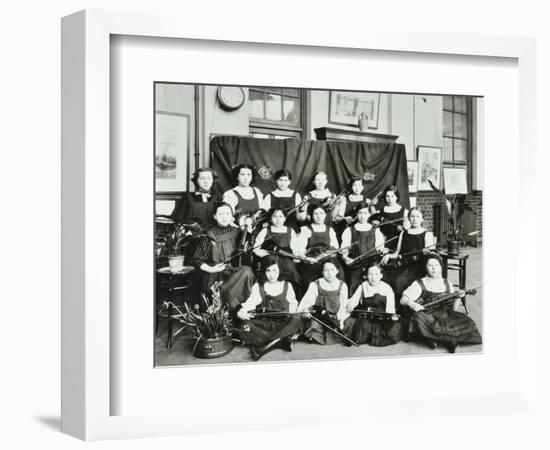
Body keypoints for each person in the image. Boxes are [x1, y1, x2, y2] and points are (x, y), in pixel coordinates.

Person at [400, 255, 482, 353]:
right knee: (417, 318)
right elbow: (403, 300)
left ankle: (434, 339)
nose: (434, 268)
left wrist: (458, 298)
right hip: (427, 315)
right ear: (425, 268)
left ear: (441, 267)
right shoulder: (419, 283)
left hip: (444, 315)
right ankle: (448, 340)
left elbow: (453, 309)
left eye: (436, 265)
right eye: (430, 265)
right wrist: (412, 304)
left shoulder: (447, 283)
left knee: (464, 321)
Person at [237, 257, 305, 360]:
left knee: (298, 320)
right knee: (245, 327)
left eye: (274, 270)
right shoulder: (258, 286)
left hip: (283, 324)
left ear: (280, 271)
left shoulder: (287, 285)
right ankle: (281, 341)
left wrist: (292, 314)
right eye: (268, 271)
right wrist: (241, 312)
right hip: (265, 325)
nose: (271, 274)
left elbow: (293, 305)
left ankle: (265, 345)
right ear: (264, 271)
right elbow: (250, 303)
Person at [191, 202, 255, 312]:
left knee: (247, 272)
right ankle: (225, 313)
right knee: (216, 285)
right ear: (215, 216)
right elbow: (197, 259)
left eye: (227, 214)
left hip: (234, 271)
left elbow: (246, 254)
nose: (224, 217)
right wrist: (211, 269)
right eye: (220, 214)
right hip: (217, 273)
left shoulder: (238, 232)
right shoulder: (209, 234)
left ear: (232, 216)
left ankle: (240, 311)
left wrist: (247, 231)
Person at [381, 207, 436, 300]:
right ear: (409, 218)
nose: (414, 219)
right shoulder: (404, 233)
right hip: (403, 264)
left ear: (422, 219)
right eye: (412, 216)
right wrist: (388, 255)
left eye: (417, 216)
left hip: (419, 266)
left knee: (399, 281)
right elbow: (397, 253)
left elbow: (431, 257)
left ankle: (403, 307)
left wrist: (427, 253)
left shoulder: (427, 234)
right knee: (385, 277)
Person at [342, 263, 401, 346]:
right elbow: (354, 300)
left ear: (381, 275)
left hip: (382, 317)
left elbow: (390, 307)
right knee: (360, 328)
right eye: (370, 274)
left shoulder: (387, 287)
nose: (373, 277)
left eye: (376, 274)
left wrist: (391, 315)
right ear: (366, 275)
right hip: (367, 317)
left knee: (392, 330)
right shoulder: (362, 286)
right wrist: (351, 305)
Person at [296, 259, 349, 345]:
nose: (329, 273)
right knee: (312, 324)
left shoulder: (342, 286)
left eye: (332, 270)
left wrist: (341, 320)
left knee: (346, 326)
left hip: (334, 317)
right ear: (322, 272)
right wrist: (306, 309)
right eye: (326, 270)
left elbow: (343, 306)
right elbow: (307, 302)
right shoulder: (315, 284)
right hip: (318, 317)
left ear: (337, 271)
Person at [253, 207, 303, 297]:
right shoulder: (265, 230)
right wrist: (258, 252)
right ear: (271, 218)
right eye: (275, 216)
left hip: (286, 258)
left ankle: (293, 297)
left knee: (291, 270)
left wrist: (297, 256)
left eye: (281, 216)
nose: (278, 219)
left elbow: (295, 249)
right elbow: (256, 247)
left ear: (285, 218)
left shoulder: (290, 231)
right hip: (270, 259)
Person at [340, 203, 386, 293]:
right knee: (353, 286)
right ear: (357, 214)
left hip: (372, 264)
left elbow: (380, 249)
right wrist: (345, 258)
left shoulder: (375, 230)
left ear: (369, 214)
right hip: (355, 264)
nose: (362, 216)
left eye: (365, 213)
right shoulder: (349, 230)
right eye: (360, 213)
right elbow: (344, 251)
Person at [296, 205, 339, 288]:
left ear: (325, 215)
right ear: (312, 215)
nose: (319, 216)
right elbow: (300, 251)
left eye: (321, 213)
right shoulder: (306, 229)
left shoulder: (330, 230)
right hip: (311, 261)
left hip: (328, 261)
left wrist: (328, 256)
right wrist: (307, 259)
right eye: (316, 214)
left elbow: (335, 249)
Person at [370, 185, 409, 251]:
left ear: (396, 197)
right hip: (383, 243)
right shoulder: (379, 212)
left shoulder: (405, 211)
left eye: (392, 196)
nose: (390, 199)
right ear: (385, 197)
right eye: (387, 196)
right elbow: (372, 224)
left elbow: (407, 230)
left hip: (400, 242)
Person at [333, 176, 373, 241]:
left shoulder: (367, 201)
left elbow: (371, 218)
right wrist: (345, 218)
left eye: (359, 185)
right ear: (351, 186)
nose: (357, 188)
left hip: (363, 231)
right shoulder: (344, 200)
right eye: (354, 185)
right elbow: (336, 219)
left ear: (362, 187)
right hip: (347, 231)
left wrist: (372, 206)